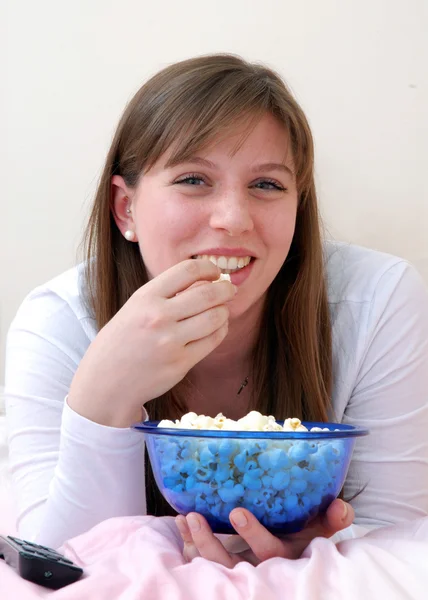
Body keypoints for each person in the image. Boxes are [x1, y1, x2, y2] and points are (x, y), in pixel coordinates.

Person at [4, 54, 428, 563]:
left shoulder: (378, 300)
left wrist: (298, 565)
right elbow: (56, 565)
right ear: (126, 208)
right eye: (193, 180)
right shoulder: (59, 322)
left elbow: (400, 548)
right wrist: (103, 399)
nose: (233, 219)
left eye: (267, 185)